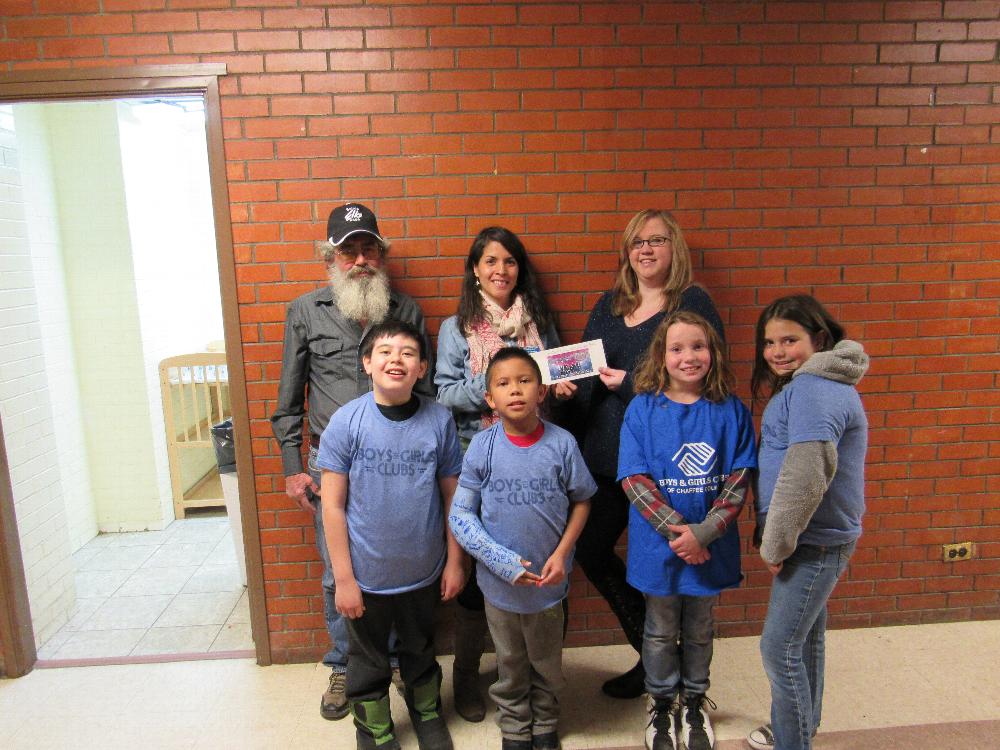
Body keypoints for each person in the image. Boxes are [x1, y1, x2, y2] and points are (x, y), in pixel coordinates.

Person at [270, 202, 433, 721]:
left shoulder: (405, 311)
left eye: (368, 249)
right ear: (331, 258)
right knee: (335, 572)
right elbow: (287, 399)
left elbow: (424, 392)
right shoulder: (305, 311)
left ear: (380, 255)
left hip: (401, 466)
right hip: (329, 467)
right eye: (349, 251)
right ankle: (345, 665)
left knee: (401, 563)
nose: (359, 260)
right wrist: (293, 464)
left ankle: (402, 664)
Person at [558, 209, 724, 699]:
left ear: (675, 247)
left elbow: (705, 383)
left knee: (662, 566)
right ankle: (654, 651)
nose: (645, 250)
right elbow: (586, 368)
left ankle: (668, 667)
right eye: (636, 243)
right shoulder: (610, 304)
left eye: (656, 240)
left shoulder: (692, 303)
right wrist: (567, 393)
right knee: (589, 548)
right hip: (606, 456)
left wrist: (631, 385)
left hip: (666, 464)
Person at [317, 320, 465, 750]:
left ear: (422, 368)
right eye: (385, 351)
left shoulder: (439, 421)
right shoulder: (346, 422)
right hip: (365, 576)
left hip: (424, 571)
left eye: (407, 353)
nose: (395, 359)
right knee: (367, 659)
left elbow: (453, 498)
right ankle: (376, 730)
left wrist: (456, 561)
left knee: (421, 648)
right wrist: (343, 579)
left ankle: (427, 713)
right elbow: (332, 505)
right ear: (367, 363)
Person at [435, 226, 560, 722]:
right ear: (475, 270)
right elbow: (442, 394)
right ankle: (466, 676)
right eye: (490, 261)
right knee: (474, 576)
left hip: (535, 460)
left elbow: (554, 375)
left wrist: (555, 386)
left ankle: (532, 683)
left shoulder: (540, 322)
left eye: (508, 261)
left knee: (535, 564)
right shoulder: (455, 327)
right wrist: (494, 384)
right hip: (479, 461)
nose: (500, 270)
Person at [617, 311, 757, 750]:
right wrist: (683, 535)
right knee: (659, 629)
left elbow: (738, 480)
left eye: (698, 346)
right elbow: (634, 481)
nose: (688, 356)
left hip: (709, 548)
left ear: (712, 353)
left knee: (699, 627)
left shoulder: (731, 410)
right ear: (661, 356)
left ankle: (694, 701)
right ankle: (661, 704)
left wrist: (705, 534)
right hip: (661, 549)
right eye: (676, 348)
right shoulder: (642, 408)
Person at [448, 347, 596, 750]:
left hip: (548, 585)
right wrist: (501, 562)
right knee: (510, 662)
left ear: (542, 390)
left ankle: (546, 721)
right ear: (489, 398)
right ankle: (514, 726)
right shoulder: (482, 446)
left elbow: (582, 500)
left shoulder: (562, 444)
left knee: (546, 661)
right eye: (503, 383)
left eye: (525, 380)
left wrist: (563, 553)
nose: (515, 390)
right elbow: (461, 516)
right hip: (499, 588)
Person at [745, 295, 869, 750]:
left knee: (779, 649)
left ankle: (792, 741)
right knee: (807, 636)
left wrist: (775, 545)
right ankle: (802, 726)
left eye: (790, 340)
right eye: (770, 342)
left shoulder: (814, 389)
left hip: (812, 542)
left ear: (818, 339)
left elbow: (805, 474)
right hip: (813, 538)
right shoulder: (808, 384)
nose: (777, 351)